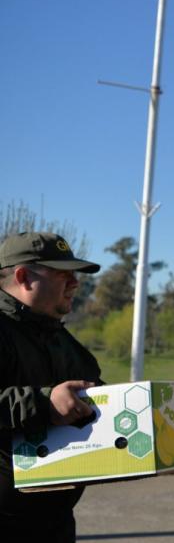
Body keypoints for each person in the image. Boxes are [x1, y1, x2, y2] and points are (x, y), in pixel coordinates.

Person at [0, 232, 103, 543]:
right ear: (23, 276)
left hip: (53, 522)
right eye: (63, 275)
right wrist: (46, 404)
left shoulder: (68, 346)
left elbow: (95, 403)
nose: (75, 283)